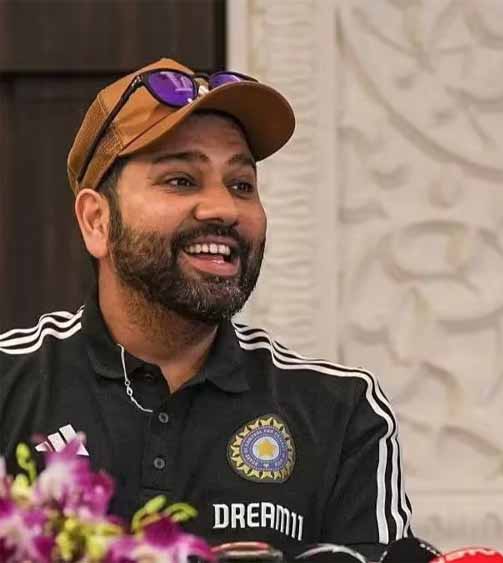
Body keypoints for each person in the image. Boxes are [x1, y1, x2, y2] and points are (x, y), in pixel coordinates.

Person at [0, 58, 412, 559]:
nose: (224, 209)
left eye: (242, 185)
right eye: (181, 180)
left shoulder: (341, 411)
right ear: (96, 221)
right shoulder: (10, 382)